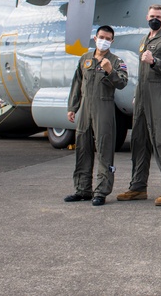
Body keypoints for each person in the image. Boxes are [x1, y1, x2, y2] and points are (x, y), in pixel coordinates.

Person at [117, 4, 161, 206]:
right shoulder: (145, 39)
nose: (155, 19)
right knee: (139, 140)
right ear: (147, 17)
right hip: (142, 96)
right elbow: (142, 73)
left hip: (158, 94)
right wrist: (138, 95)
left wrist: (154, 61)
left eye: (158, 16)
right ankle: (138, 186)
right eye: (152, 16)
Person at [64, 25, 129, 207]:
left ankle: (101, 191)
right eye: (101, 37)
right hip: (85, 106)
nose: (104, 41)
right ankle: (82, 189)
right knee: (83, 147)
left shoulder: (116, 61)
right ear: (95, 38)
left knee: (104, 148)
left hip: (104, 106)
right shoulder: (85, 59)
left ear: (112, 41)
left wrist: (110, 71)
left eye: (108, 38)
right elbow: (77, 83)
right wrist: (72, 107)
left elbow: (122, 82)